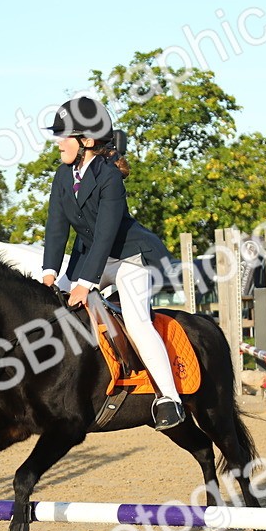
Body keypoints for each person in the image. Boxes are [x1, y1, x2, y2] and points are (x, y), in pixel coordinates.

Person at [39, 97, 184, 430]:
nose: (58, 143)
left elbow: (105, 234)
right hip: (93, 260)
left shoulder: (109, 176)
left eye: (65, 136)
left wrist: (85, 283)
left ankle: (169, 398)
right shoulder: (63, 176)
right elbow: (56, 227)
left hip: (133, 258)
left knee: (136, 321)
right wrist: (49, 275)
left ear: (87, 141)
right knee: (51, 306)